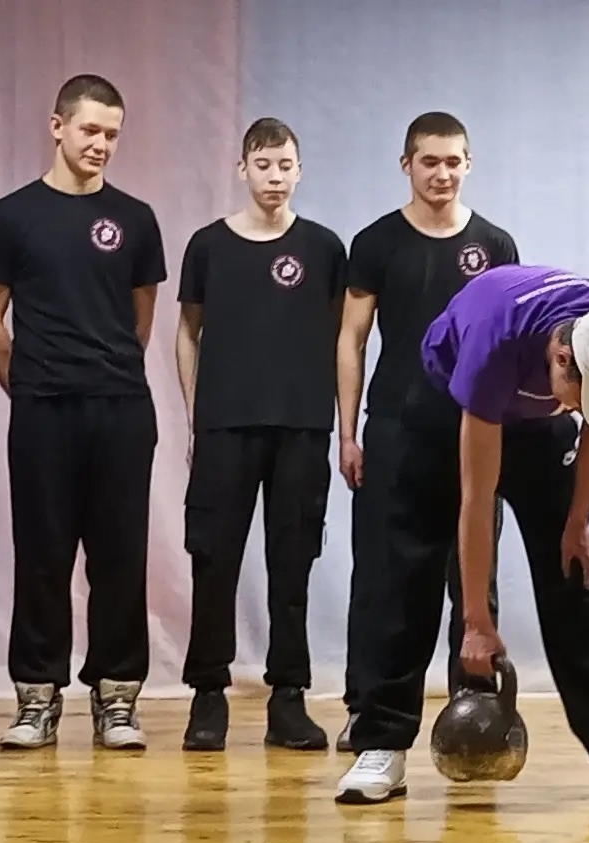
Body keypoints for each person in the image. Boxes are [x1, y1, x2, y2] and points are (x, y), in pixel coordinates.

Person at [335, 264, 589, 808]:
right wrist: (477, 623)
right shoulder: (494, 341)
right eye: (582, 395)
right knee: (408, 570)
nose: (585, 409)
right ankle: (381, 743)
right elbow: (477, 501)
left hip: (537, 427)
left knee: (578, 570)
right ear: (561, 358)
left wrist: (578, 520)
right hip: (445, 412)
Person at [0, 74, 168, 750]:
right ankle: (36, 697)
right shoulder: (12, 215)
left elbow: (140, 320)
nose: (100, 144)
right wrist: (29, 384)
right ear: (57, 126)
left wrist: (104, 373)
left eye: (112, 134)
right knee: (42, 555)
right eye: (89, 129)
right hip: (43, 413)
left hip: (120, 410)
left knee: (120, 556)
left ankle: (117, 699)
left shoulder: (135, 218)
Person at [335, 112, 517, 752]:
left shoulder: (495, 244)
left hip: (473, 432)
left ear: (469, 165)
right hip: (395, 430)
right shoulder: (376, 242)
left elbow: (512, 345)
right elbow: (351, 339)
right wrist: (348, 433)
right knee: (382, 579)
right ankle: (367, 710)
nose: (442, 173)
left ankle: (476, 711)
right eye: (429, 161)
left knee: (473, 576)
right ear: (407, 165)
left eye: (452, 162)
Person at [174, 119, 347, 752]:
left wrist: (339, 418)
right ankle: (208, 694)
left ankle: (289, 697)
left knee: (292, 562)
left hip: (301, 426)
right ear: (242, 168)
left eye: (285, 165)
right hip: (225, 425)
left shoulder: (324, 248)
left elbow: (340, 334)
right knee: (213, 558)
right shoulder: (208, 246)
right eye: (263, 164)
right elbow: (188, 331)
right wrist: (195, 416)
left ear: (300, 171)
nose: (274, 177)